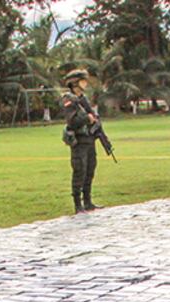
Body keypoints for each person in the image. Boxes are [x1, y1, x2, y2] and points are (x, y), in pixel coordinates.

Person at [61, 70, 100, 213]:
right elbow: (71, 121)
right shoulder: (69, 100)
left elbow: (93, 115)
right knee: (80, 170)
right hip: (79, 140)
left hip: (89, 138)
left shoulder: (83, 99)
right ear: (75, 83)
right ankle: (78, 204)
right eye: (83, 81)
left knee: (90, 169)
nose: (86, 83)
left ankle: (88, 201)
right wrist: (86, 118)